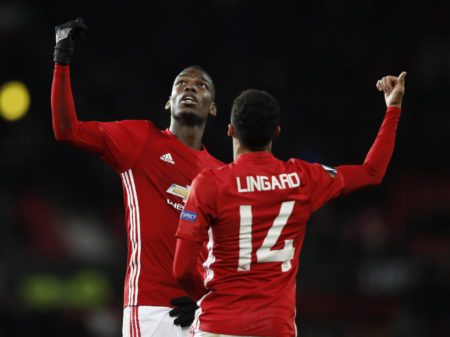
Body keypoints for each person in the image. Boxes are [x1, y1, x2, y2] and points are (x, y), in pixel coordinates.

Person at [173, 72, 407, 337]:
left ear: (230, 130)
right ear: (276, 132)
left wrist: (202, 298)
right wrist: (393, 109)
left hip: (218, 325)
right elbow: (372, 171)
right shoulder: (302, 178)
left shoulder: (209, 184)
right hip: (275, 328)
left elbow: (182, 269)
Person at [51, 18, 224, 337]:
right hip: (153, 311)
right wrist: (61, 60)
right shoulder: (141, 140)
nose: (189, 87)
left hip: (205, 314)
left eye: (201, 85)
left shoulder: (220, 173)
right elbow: (67, 131)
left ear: (212, 108)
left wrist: (212, 301)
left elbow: (227, 253)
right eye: (181, 83)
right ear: (169, 102)